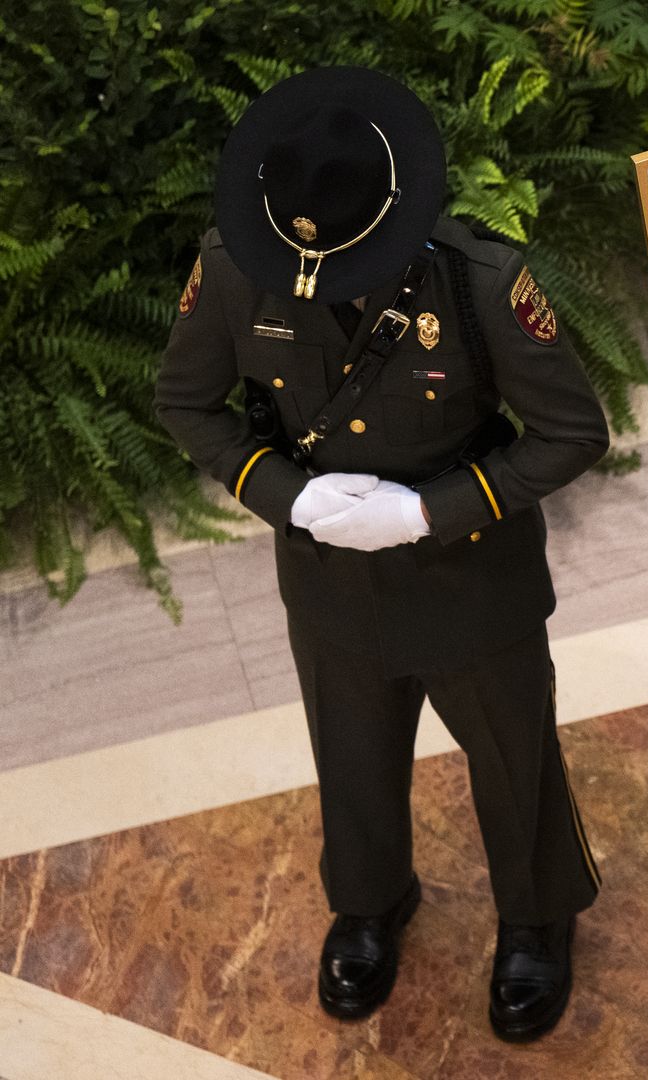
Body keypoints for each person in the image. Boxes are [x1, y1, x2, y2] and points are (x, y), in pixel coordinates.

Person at [153, 66, 609, 1042]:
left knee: (513, 757)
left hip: (471, 578)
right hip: (332, 581)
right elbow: (186, 403)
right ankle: (369, 902)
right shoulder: (232, 268)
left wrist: (429, 513)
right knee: (351, 756)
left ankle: (537, 915)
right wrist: (287, 494)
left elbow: (573, 432)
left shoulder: (480, 281)